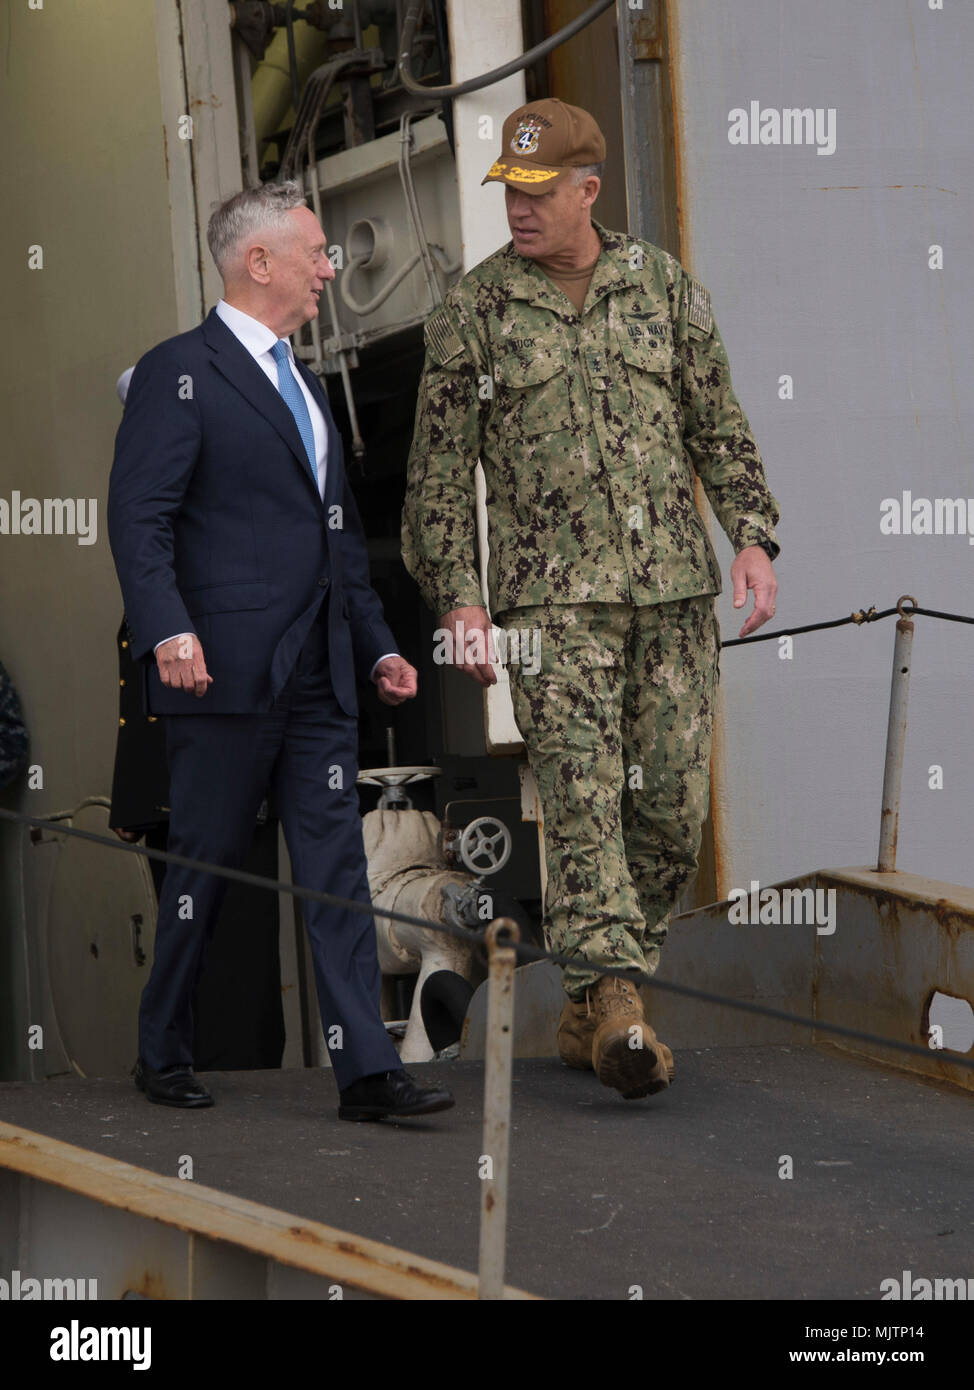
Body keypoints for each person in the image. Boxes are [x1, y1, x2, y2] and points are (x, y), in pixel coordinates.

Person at [402, 99, 780, 1101]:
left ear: (586, 189)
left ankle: (580, 1013)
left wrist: (750, 537)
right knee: (579, 797)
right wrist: (461, 600)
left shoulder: (662, 288)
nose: (518, 211)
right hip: (547, 611)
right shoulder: (472, 313)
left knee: (667, 813)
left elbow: (717, 426)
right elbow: (438, 475)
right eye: (508, 193)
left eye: (535, 193)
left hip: (669, 595)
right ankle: (614, 1003)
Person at [108, 180, 453, 1121]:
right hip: (218, 670)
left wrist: (378, 645)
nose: (330, 267)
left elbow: (337, 538)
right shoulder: (178, 371)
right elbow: (138, 519)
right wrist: (169, 629)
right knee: (209, 865)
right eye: (314, 251)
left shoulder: (301, 381)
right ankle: (162, 1046)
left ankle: (365, 1072)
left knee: (337, 866)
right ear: (258, 262)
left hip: (319, 675)